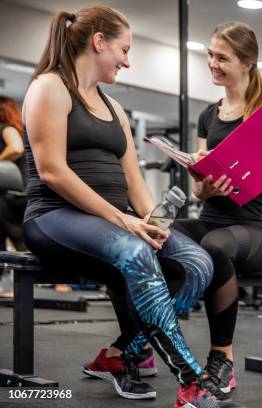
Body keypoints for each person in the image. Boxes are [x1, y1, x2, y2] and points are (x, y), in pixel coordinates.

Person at [21, 6, 231, 407]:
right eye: (124, 49)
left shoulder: (114, 108)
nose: (128, 61)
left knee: (198, 263)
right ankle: (192, 383)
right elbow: (53, 172)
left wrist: (154, 222)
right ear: (99, 42)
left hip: (114, 223)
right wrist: (124, 222)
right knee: (134, 250)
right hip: (53, 216)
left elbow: (134, 180)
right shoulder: (49, 87)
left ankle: (121, 355)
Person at [170, 21, 262, 401]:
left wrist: (237, 178)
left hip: (253, 229)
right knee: (160, 234)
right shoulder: (209, 115)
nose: (212, 63)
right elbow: (198, 187)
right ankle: (139, 345)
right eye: (210, 54)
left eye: (221, 57)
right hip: (212, 218)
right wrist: (206, 179)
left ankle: (221, 359)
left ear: (247, 62)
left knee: (216, 247)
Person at [0, 96, 27, 253]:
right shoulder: (19, 130)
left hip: (15, 195)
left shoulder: (7, 128)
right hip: (17, 194)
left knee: (21, 242)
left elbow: (16, 148)